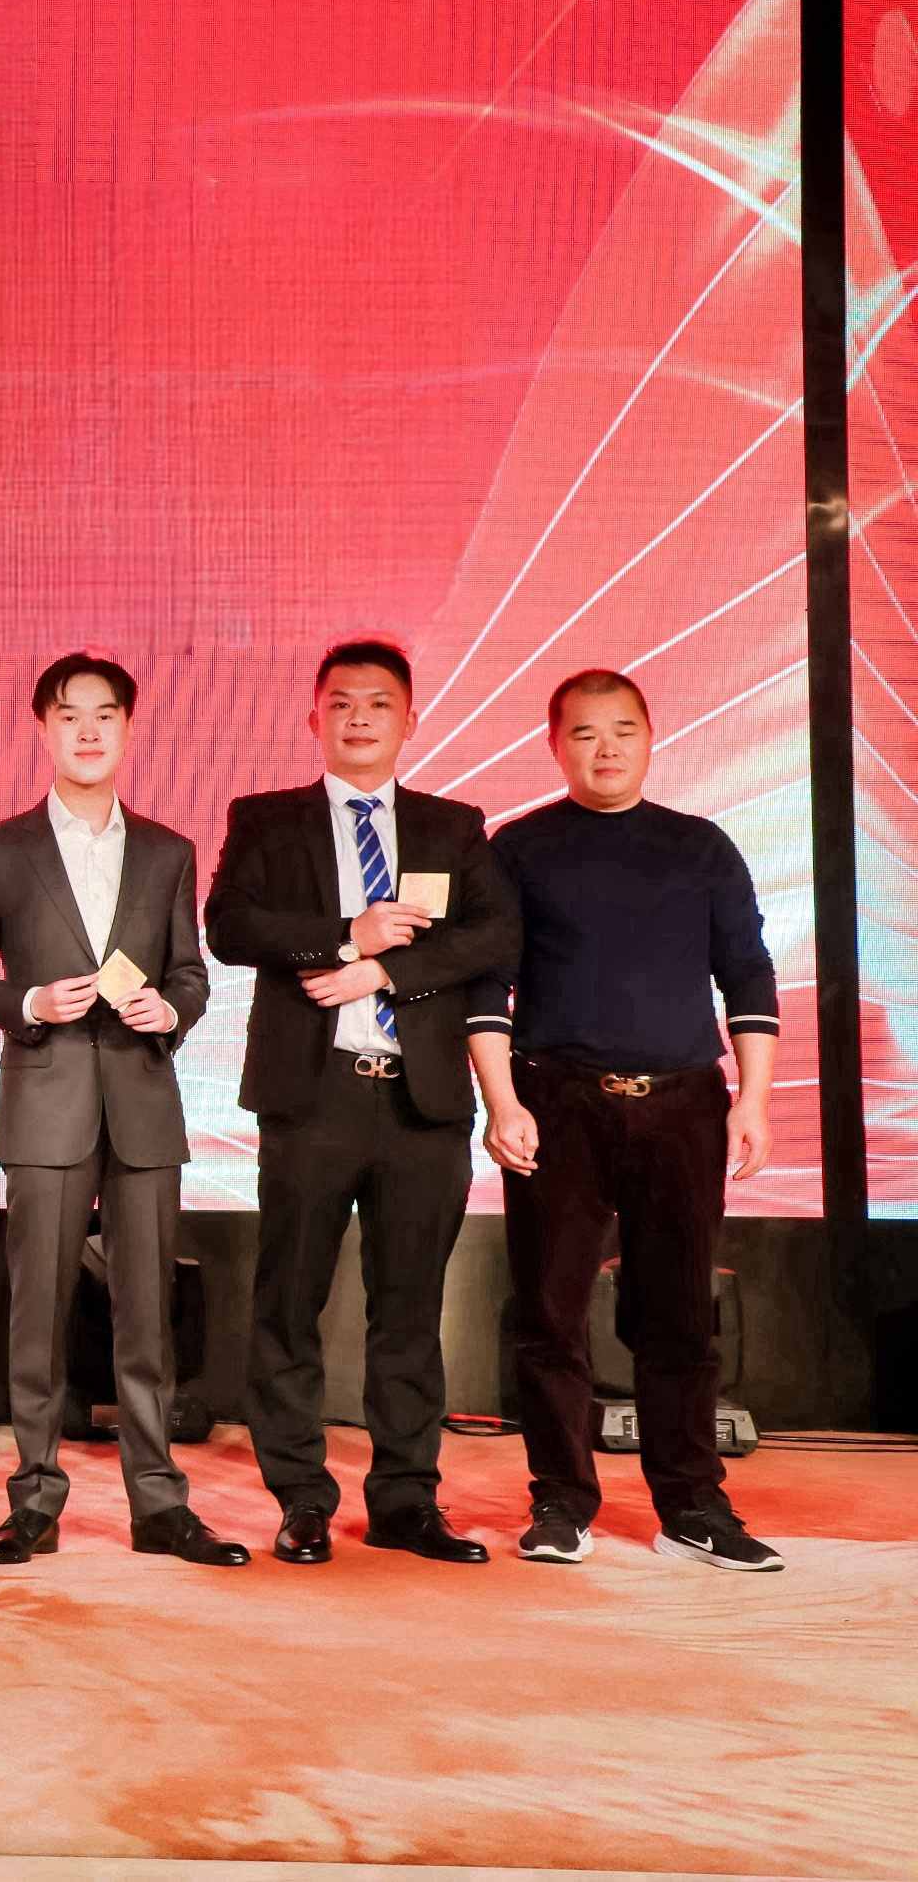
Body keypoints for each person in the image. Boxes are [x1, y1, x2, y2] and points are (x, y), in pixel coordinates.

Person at [204, 639, 516, 1566]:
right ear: (314, 717)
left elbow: (497, 934)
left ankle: (406, 1501)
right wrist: (347, 934)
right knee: (289, 1300)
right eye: (341, 702)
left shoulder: (454, 826)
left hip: (422, 1101)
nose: (359, 718)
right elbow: (230, 926)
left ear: (410, 719)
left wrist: (384, 969)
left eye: (378, 703)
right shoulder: (267, 819)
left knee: (410, 1309)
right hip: (313, 1095)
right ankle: (301, 1497)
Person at [471, 670, 785, 1571]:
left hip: (685, 1103)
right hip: (557, 1099)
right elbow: (487, 985)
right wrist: (502, 1102)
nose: (604, 748)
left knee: (679, 1312)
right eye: (583, 733)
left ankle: (692, 1505)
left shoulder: (701, 846)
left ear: (651, 737)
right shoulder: (519, 848)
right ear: (553, 744)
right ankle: (561, 1501)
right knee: (550, 1311)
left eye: (622, 730)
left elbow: (748, 972)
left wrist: (754, 1099)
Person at [0, 654, 242, 1568]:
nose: (87, 730)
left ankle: (160, 1502)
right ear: (43, 727)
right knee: (38, 1311)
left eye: (104, 715)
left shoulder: (167, 850)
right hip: (45, 1100)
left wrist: (173, 1010)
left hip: (144, 1102)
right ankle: (33, 1499)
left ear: (127, 728)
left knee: (148, 1314)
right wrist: (29, 1003)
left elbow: (190, 972)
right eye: (69, 715)